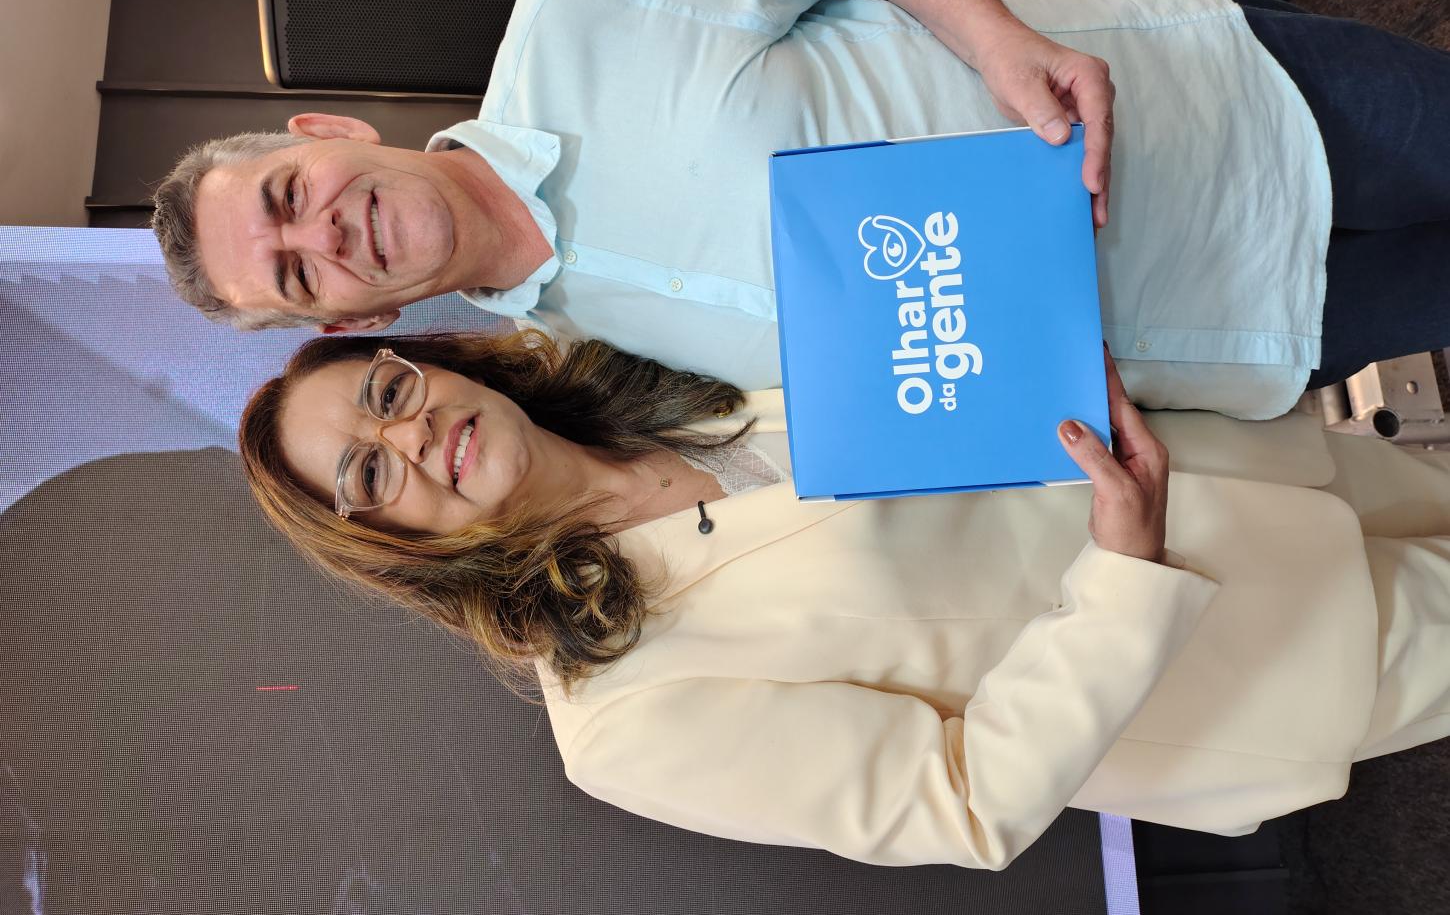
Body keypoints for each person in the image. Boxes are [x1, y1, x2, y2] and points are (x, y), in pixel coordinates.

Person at [153, 0, 1450, 421]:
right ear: (346, 321)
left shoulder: (573, 13)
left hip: (1227, 115)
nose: (324, 232)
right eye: (297, 271)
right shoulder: (587, 381)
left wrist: (997, 40)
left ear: (325, 132)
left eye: (288, 194)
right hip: (1237, 325)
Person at [238, 329, 1450, 870]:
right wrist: (1121, 573)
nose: (412, 435)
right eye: (368, 473)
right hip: (1262, 655)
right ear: (391, 546)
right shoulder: (619, 717)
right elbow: (960, 803)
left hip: (1264, 471)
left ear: (426, 361)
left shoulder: (646, 367)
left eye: (386, 393)